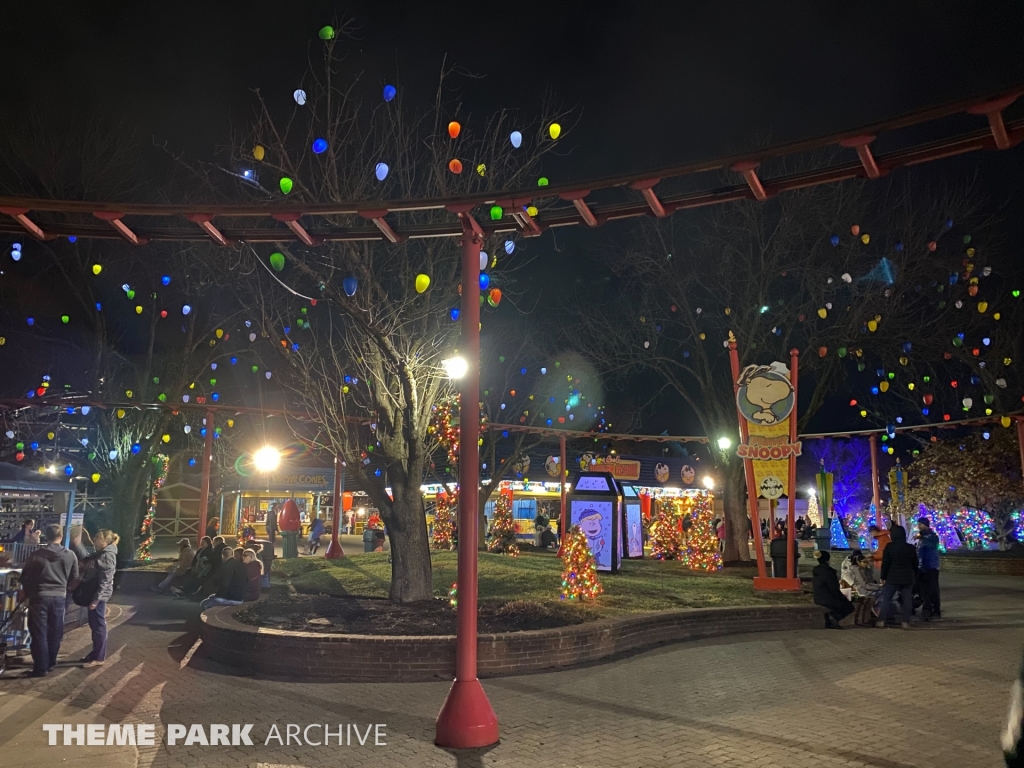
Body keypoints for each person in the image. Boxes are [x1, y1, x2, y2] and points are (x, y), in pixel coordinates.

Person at [19, 524, 78, 677]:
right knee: (55, 631)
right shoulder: (70, 555)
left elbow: (25, 576)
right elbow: (75, 577)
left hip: (39, 596)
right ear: (61, 536)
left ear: (46, 536)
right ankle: (51, 662)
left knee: (39, 632)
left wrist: (28, 592)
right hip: (59, 596)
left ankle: (40, 666)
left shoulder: (36, 555)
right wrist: (66, 588)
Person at [72, 528, 118, 668]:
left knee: (98, 626)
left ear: (106, 540)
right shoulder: (102, 553)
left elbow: (106, 580)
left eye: (98, 537)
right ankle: (95, 654)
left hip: (98, 596)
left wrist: (96, 599)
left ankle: (98, 657)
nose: (95, 539)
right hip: (96, 594)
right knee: (95, 625)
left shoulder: (107, 555)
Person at [877, 524, 919, 629]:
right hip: (907, 577)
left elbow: (885, 563)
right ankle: (905, 622)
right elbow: (915, 563)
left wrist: (883, 576)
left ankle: (881, 620)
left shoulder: (890, 547)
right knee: (907, 600)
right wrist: (915, 575)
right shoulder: (910, 547)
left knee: (887, 599)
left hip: (892, 577)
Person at [812, 551, 854, 629]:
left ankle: (830, 620)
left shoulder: (817, 571)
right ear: (827, 560)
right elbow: (834, 588)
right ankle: (833, 618)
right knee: (849, 606)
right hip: (827, 598)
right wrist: (842, 597)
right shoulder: (828, 571)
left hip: (818, 597)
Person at [916, 516, 942, 620]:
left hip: (931, 566)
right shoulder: (921, 536)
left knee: (933, 588)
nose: (919, 526)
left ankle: (936, 609)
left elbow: (933, 545)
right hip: (922, 566)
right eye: (918, 524)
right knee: (924, 589)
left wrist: (921, 538)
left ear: (926, 525)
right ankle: (927, 608)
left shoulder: (932, 535)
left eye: (920, 524)